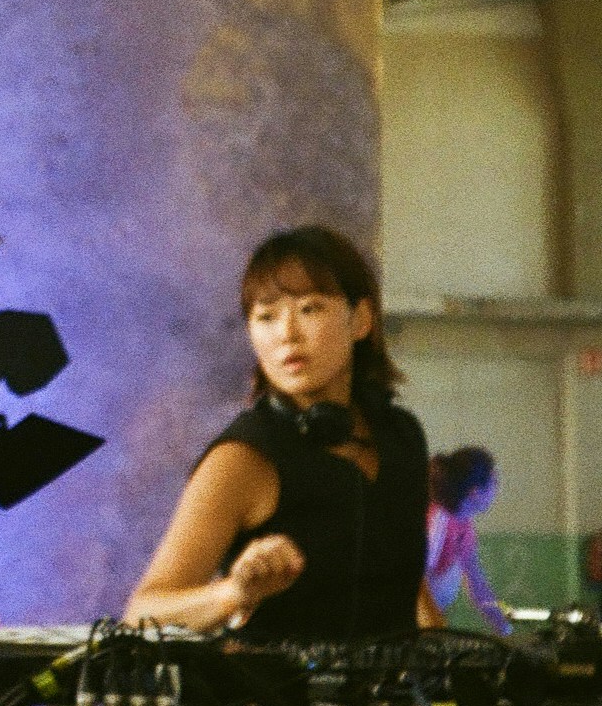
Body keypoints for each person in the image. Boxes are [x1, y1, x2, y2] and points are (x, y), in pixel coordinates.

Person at [124, 225, 431, 639]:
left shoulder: (401, 436)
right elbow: (143, 612)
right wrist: (234, 593)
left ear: (360, 320)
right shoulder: (242, 458)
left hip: (397, 682)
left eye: (309, 309)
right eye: (266, 316)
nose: (287, 334)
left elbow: (409, 587)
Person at [422, 447, 513, 634]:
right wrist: (433, 628)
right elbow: (415, 586)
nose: (497, 489)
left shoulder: (464, 525)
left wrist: (505, 627)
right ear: (475, 492)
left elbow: (477, 584)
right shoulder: (436, 521)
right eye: (494, 482)